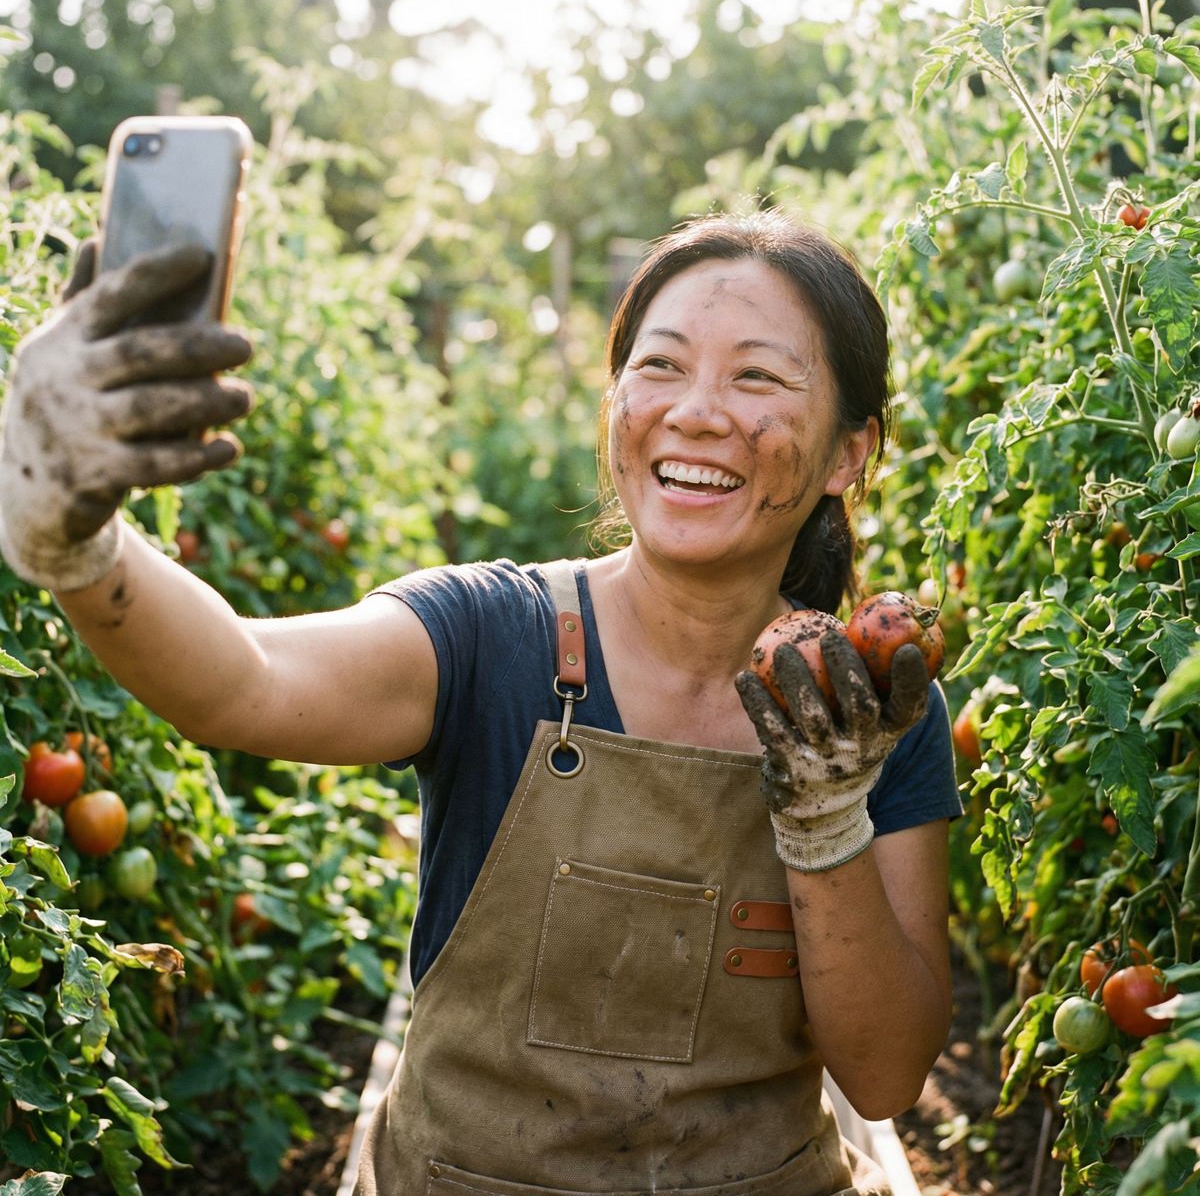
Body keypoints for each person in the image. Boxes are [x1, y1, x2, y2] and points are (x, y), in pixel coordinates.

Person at [0, 208, 961, 1195]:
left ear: (849, 452)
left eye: (756, 377)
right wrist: (72, 531)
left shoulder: (869, 714)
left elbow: (886, 1078)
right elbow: (243, 681)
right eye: (661, 366)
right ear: (616, 405)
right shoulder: (491, 636)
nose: (697, 411)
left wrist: (827, 821)